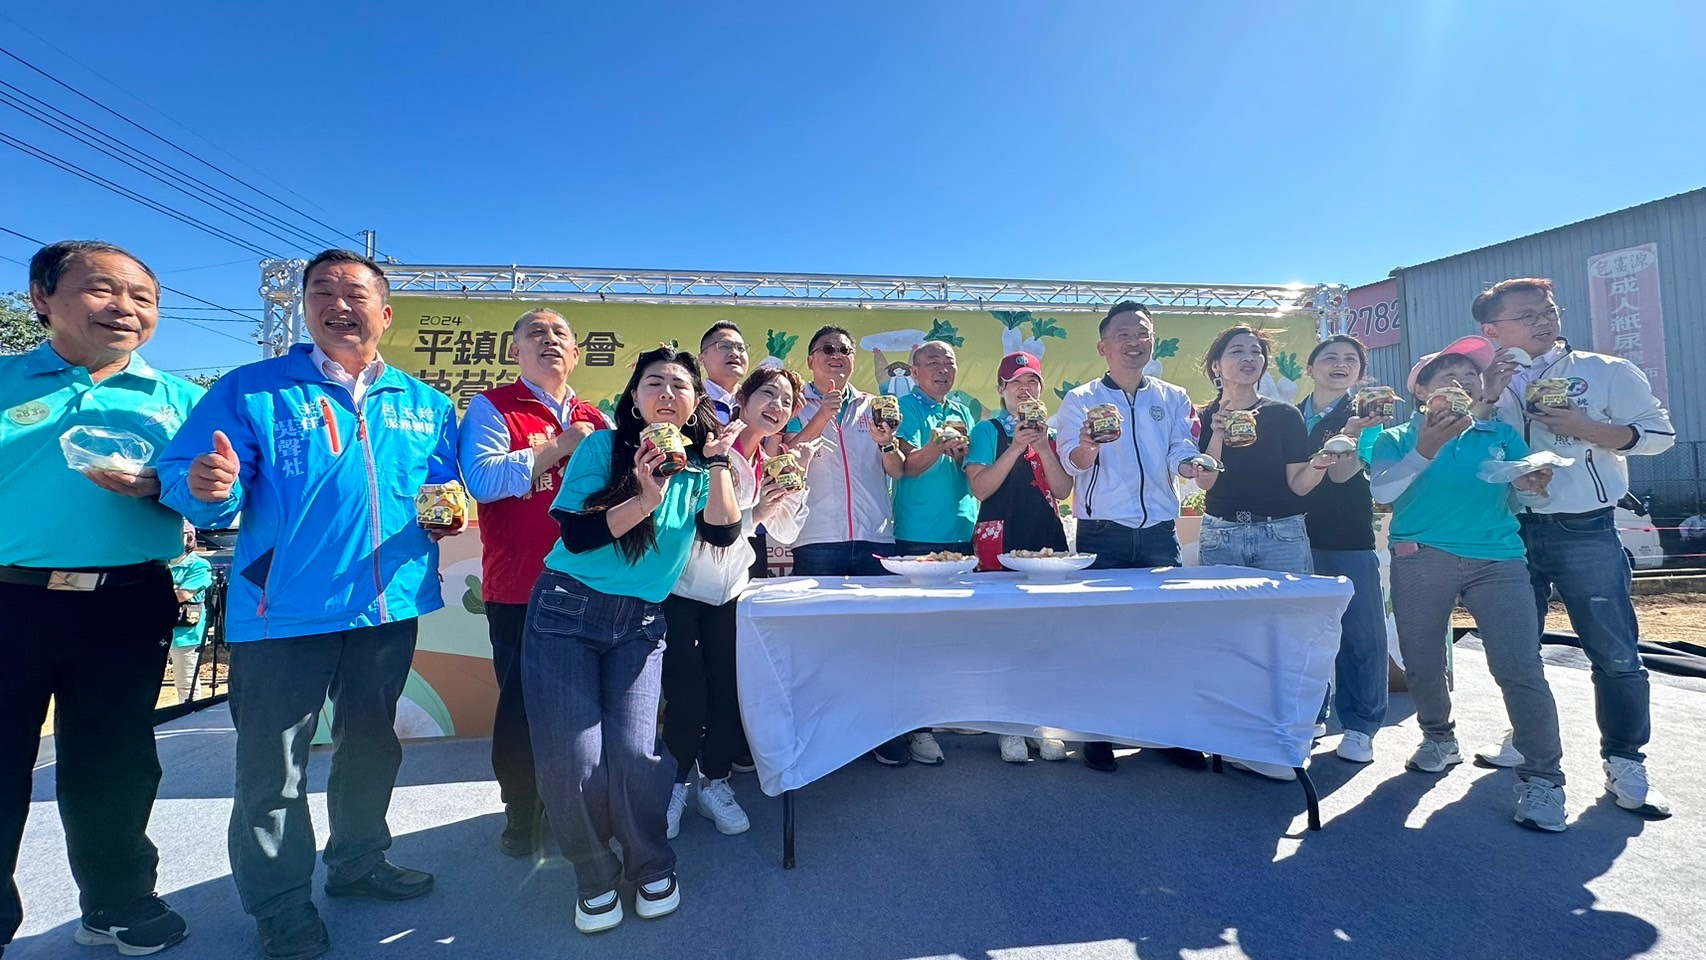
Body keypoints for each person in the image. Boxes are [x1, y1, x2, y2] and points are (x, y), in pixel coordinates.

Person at [158, 249, 460, 960]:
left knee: (372, 748)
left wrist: (446, 513)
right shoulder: (252, 389)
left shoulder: (426, 403)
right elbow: (190, 478)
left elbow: (441, 488)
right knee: (274, 770)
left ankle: (359, 861)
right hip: (282, 612)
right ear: (303, 308)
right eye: (321, 290)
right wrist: (205, 486)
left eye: (355, 292)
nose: (338, 303)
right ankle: (280, 904)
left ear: (385, 313)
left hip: (386, 608)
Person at [1, 240, 202, 957]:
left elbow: (220, 501)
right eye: (102, 289)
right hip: (10, 600)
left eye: (142, 297)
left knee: (116, 762)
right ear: (41, 298)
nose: (125, 308)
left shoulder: (182, 401)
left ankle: (119, 902)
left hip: (127, 603)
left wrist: (168, 486)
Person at [523, 346, 741, 933]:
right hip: (567, 611)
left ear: (695, 402)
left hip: (641, 624)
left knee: (636, 753)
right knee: (574, 758)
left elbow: (724, 532)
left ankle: (650, 862)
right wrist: (645, 497)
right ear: (635, 397)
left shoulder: (698, 468)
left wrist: (720, 461)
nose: (666, 393)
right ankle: (594, 875)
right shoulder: (602, 447)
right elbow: (577, 535)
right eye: (653, 383)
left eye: (679, 385)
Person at [1470, 277, 1675, 818]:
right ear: (1493, 330)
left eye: (1549, 311)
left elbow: (1660, 435)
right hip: (1508, 530)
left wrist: (1592, 429)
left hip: (1586, 529)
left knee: (1614, 650)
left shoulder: (1603, 370)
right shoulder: (1486, 379)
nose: (1544, 320)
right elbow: (1466, 449)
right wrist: (1485, 399)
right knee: (1516, 650)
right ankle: (1526, 738)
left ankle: (1625, 760)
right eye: (1527, 315)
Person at [1369, 336, 1568, 832]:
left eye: (1468, 377)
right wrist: (1426, 448)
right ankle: (1438, 737)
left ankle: (1544, 780)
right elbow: (1383, 491)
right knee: (1421, 660)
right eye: (1447, 378)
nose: (1461, 384)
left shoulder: (1500, 435)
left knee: (1519, 666)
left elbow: (1527, 497)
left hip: (1498, 558)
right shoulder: (1395, 437)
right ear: (1422, 393)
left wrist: (1532, 488)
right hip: (1421, 555)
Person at [458, 307, 609, 858]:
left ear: (576, 354)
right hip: (520, 585)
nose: (550, 341)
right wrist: (560, 445)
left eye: (560, 334)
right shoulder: (493, 406)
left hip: (591, 585)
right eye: (536, 333)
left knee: (585, 705)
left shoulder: (597, 416)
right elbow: (482, 480)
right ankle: (522, 807)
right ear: (514, 350)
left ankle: (581, 803)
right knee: (522, 706)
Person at [1055, 302, 1206, 773]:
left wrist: (1191, 466)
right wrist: (1086, 446)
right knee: (1100, 635)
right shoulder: (1079, 399)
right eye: (1122, 334)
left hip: (1160, 532)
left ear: (1152, 341)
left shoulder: (1174, 396)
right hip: (1103, 533)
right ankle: (1097, 733)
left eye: (1142, 333)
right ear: (1103, 347)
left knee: (1164, 634)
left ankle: (1168, 732)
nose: (1134, 341)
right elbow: (1070, 463)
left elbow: (1182, 448)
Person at [1194, 324, 1346, 782]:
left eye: (1256, 352)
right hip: (1222, 533)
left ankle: (1288, 734)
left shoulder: (1283, 415)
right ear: (1217, 365)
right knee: (1230, 637)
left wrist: (1320, 464)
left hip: (1281, 534)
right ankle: (1235, 737)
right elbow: (1205, 481)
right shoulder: (1201, 416)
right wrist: (1216, 432)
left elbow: (1298, 485)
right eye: (1236, 351)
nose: (1248, 359)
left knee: (1290, 636)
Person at [662, 367, 809, 839]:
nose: (776, 406)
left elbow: (786, 532)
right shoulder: (710, 447)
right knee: (687, 693)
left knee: (728, 691)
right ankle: (672, 785)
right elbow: (691, 522)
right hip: (682, 590)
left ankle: (716, 783)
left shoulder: (771, 461)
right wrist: (754, 513)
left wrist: (794, 490)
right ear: (742, 399)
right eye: (767, 394)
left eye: (785, 401)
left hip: (732, 595)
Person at [964, 351, 1072, 763]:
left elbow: (1062, 490)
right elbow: (981, 488)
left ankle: (1041, 723)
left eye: (1032, 383)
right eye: (1015, 383)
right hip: (999, 538)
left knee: (1044, 637)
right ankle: (1006, 726)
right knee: (1000, 635)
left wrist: (1042, 446)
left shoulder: (1051, 433)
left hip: (1045, 539)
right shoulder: (987, 430)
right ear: (1001, 389)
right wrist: (1014, 448)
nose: (1024, 390)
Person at [1297, 336, 1393, 764]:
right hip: (1293, 536)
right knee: (1304, 635)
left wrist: (1352, 431)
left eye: (1351, 359)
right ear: (1310, 368)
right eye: (1330, 357)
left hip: (1348, 537)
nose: (1340, 364)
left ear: (1360, 372)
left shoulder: (1370, 417)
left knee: (1360, 634)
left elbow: (1342, 476)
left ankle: (1360, 725)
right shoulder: (1288, 415)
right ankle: (1311, 714)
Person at [783, 325, 904, 576]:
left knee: (877, 604)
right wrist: (821, 415)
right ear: (810, 360)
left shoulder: (873, 405)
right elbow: (787, 460)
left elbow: (897, 470)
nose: (836, 355)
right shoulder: (794, 404)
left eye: (844, 350)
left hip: (874, 536)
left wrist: (886, 443)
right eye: (828, 349)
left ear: (853, 360)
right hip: (817, 538)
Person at [893, 341, 979, 558]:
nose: (943, 370)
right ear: (914, 372)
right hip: (918, 532)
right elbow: (908, 466)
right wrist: (938, 445)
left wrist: (962, 455)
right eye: (933, 363)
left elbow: (975, 467)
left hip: (964, 529)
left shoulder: (963, 411)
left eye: (949, 363)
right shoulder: (904, 407)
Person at [168, 521, 216, 704]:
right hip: (153, 632)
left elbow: (182, 595)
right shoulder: (158, 563)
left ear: (189, 538)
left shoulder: (199, 565)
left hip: (185, 635)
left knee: (187, 685)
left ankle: (189, 714)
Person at [698, 320, 748, 424]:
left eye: (740, 348)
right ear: (702, 359)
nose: (735, 353)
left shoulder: (754, 401)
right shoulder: (693, 400)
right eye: (724, 346)